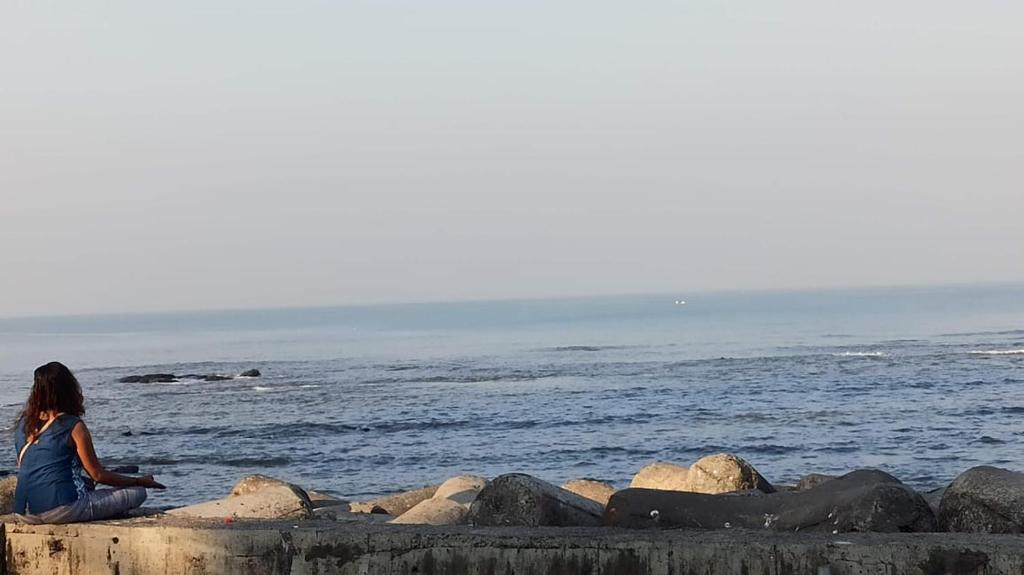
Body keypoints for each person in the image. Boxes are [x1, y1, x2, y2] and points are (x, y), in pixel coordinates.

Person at [12, 361, 166, 524]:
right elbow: (98, 475)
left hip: (24, 513)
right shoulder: (73, 425)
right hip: (62, 509)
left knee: (85, 483)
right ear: (69, 389)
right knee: (138, 493)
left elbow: (29, 465)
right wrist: (138, 481)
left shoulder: (23, 423)